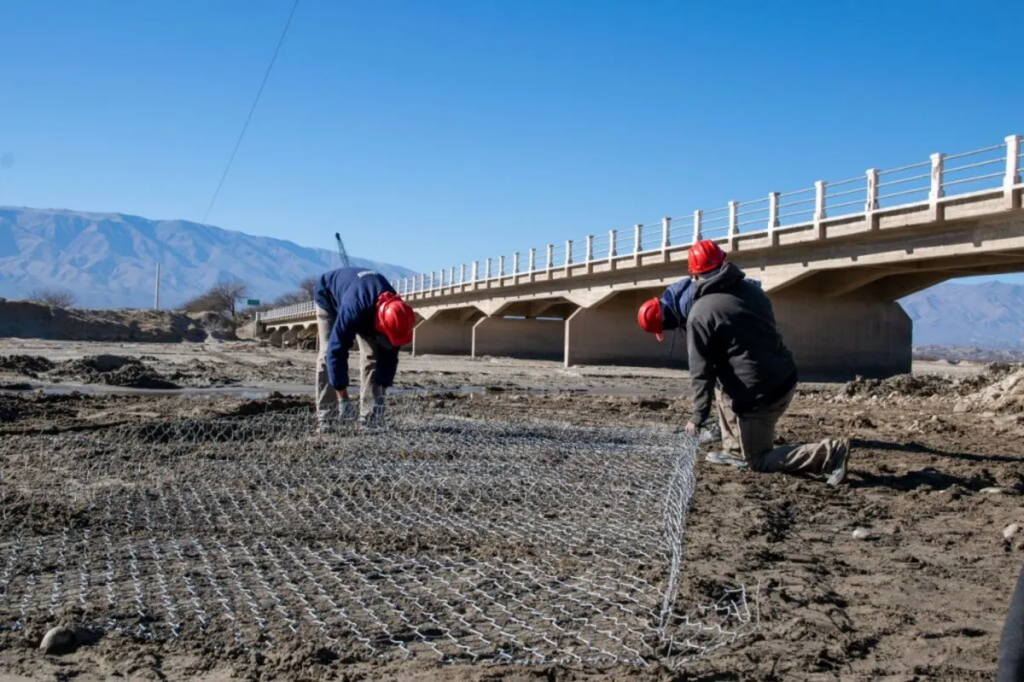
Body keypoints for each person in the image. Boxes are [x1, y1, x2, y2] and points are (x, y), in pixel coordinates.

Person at [682, 239, 850, 484]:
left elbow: (700, 371)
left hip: (760, 397)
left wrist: (698, 415)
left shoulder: (700, 313)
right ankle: (734, 451)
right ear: (724, 263)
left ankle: (829, 453)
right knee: (723, 383)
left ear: (694, 275)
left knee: (759, 460)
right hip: (784, 378)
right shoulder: (753, 291)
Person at [313, 267, 415, 431]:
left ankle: (371, 418)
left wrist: (381, 393)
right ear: (380, 323)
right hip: (329, 296)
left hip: (368, 309)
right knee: (327, 353)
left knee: (373, 358)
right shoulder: (355, 307)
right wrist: (343, 398)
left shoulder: (398, 314)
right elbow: (336, 351)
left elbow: (389, 357)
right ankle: (327, 418)